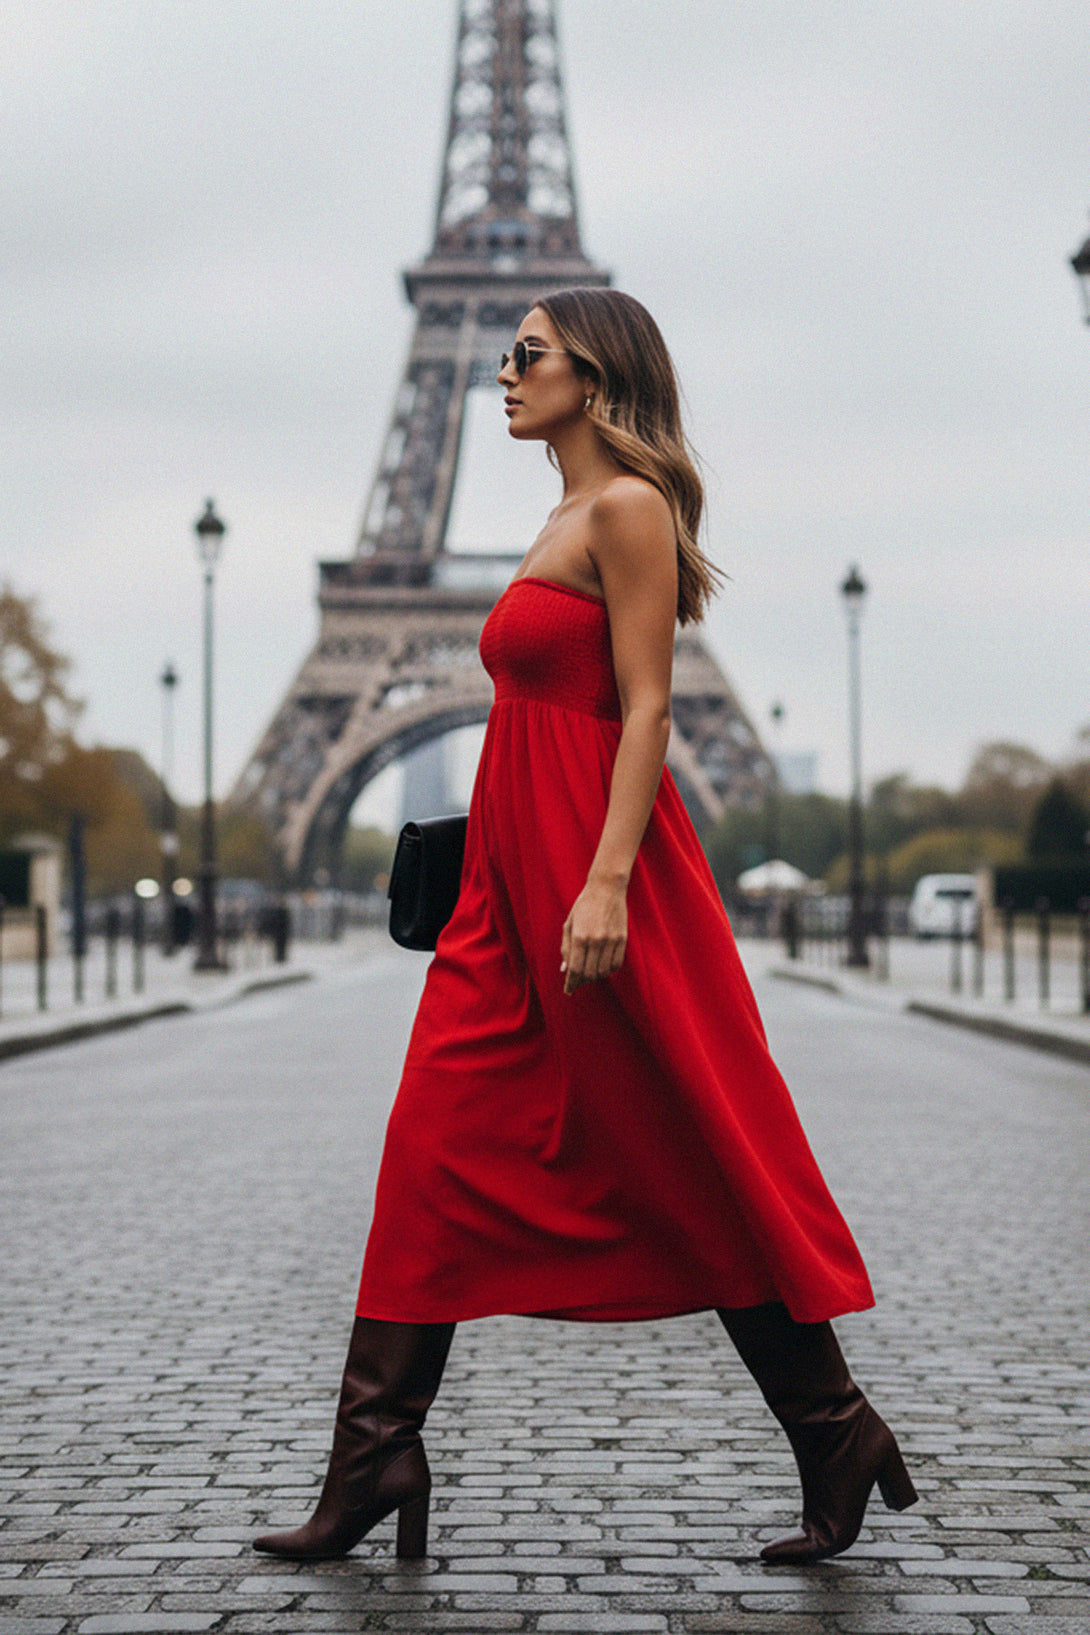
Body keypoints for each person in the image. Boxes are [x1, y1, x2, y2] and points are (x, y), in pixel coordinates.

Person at [254, 287, 917, 1568]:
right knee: (431, 1149)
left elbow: (649, 711)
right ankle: (376, 1451)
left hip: (593, 881)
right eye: (501, 353)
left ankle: (833, 1426)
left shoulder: (625, 507)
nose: (503, 373)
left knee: (685, 1139)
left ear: (596, 372)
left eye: (530, 356)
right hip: (508, 898)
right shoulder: (561, 510)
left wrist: (605, 884)